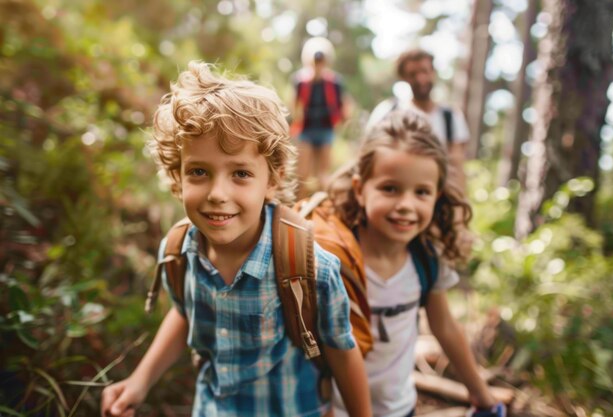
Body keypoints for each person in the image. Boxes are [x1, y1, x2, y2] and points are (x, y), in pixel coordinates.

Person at [100, 61, 371, 417]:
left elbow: (342, 353)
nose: (217, 193)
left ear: (271, 180)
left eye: (241, 173)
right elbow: (185, 314)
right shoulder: (179, 250)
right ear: (177, 175)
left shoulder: (310, 268)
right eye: (199, 171)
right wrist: (140, 381)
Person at [328, 108, 502, 417]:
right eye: (390, 188)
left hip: (399, 409)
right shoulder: (333, 258)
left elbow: (445, 327)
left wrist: (481, 395)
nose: (406, 205)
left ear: (436, 196)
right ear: (360, 189)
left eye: (421, 192)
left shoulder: (426, 260)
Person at [367, 49, 469, 191]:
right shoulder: (388, 111)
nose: (420, 79)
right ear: (403, 78)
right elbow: (367, 155)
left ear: (433, 72)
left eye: (424, 71)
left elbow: (457, 164)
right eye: (412, 74)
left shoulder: (451, 116)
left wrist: (459, 205)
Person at [292, 37, 347, 198]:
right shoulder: (301, 81)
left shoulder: (335, 82)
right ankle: (299, 207)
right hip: (307, 129)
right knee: (302, 175)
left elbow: (342, 106)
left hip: (325, 130)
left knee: (323, 175)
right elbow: (296, 106)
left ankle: (323, 208)